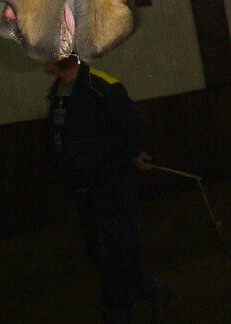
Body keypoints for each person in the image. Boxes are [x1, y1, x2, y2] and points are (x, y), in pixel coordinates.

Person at [48, 56, 175, 324]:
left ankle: (117, 313)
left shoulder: (102, 86)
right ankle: (153, 290)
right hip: (85, 187)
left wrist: (132, 151)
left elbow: (135, 124)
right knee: (100, 251)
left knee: (114, 252)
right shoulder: (58, 91)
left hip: (112, 186)